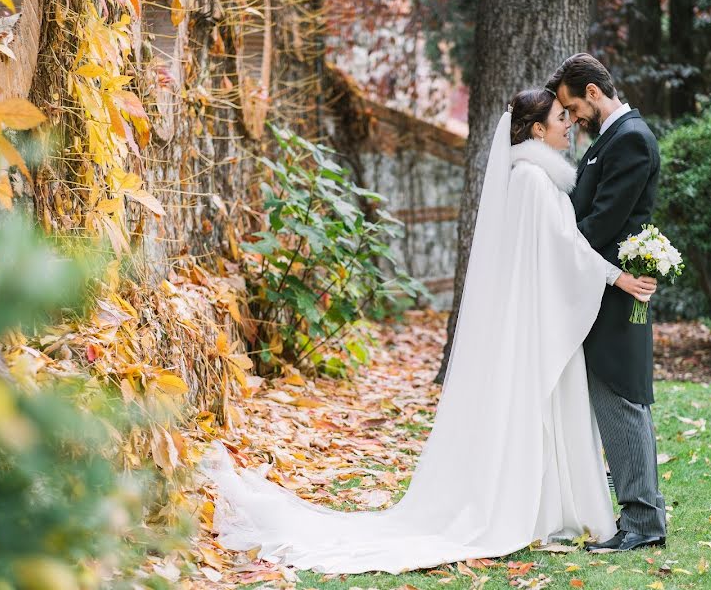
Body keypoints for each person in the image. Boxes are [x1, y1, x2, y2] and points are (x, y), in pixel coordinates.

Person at [200, 88, 657, 574]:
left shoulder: (537, 178)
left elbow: (558, 246)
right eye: (560, 118)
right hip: (536, 326)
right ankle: (533, 509)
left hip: (541, 323)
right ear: (538, 130)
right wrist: (616, 275)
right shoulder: (531, 180)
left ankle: (551, 508)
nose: (570, 124)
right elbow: (564, 246)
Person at [547, 53, 667, 552]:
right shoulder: (611, 141)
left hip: (617, 291)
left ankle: (643, 521)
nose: (572, 120)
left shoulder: (631, 140)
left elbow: (602, 223)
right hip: (602, 286)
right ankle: (640, 515)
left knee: (621, 398)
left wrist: (553, 252)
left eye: (573, 108)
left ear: (593, 93)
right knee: (612, 398)